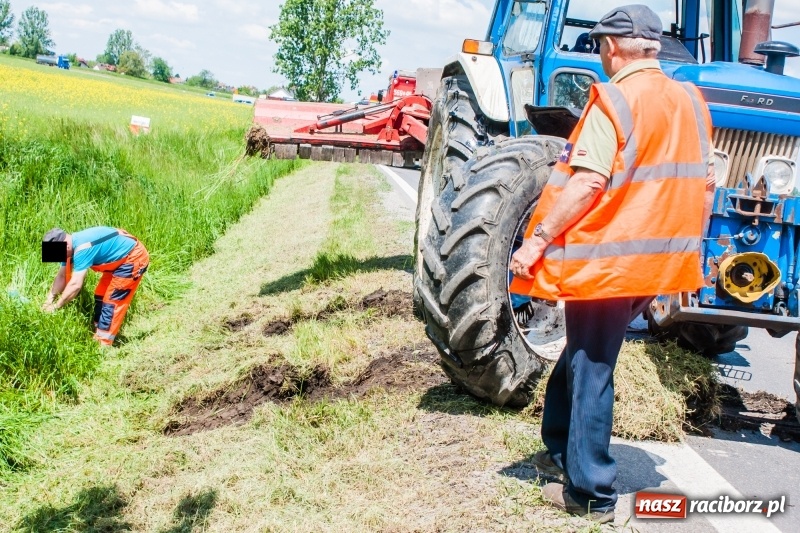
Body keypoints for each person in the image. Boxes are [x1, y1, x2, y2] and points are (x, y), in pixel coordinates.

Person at [508, 4, 716, 524]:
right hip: (655, 265)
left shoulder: (615, 98)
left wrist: (537, 242)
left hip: (610, 263)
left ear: (611, 48)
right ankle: (558, 450)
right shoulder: (690, 101)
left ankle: (592, 492)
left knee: (593, 367)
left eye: (600, 45)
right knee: (586, 353)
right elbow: (706, 184)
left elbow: (587, 182)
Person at [42, 226, 149, 346]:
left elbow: (75, 285)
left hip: (132, 258)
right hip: (117, 261)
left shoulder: (82, 248)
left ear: (65, 245)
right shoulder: (69, 248)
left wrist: (57, 306)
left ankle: (102, 344)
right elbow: (61, 276)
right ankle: (98, 331)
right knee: (100, 295)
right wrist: (49, 300)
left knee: (112, 302)